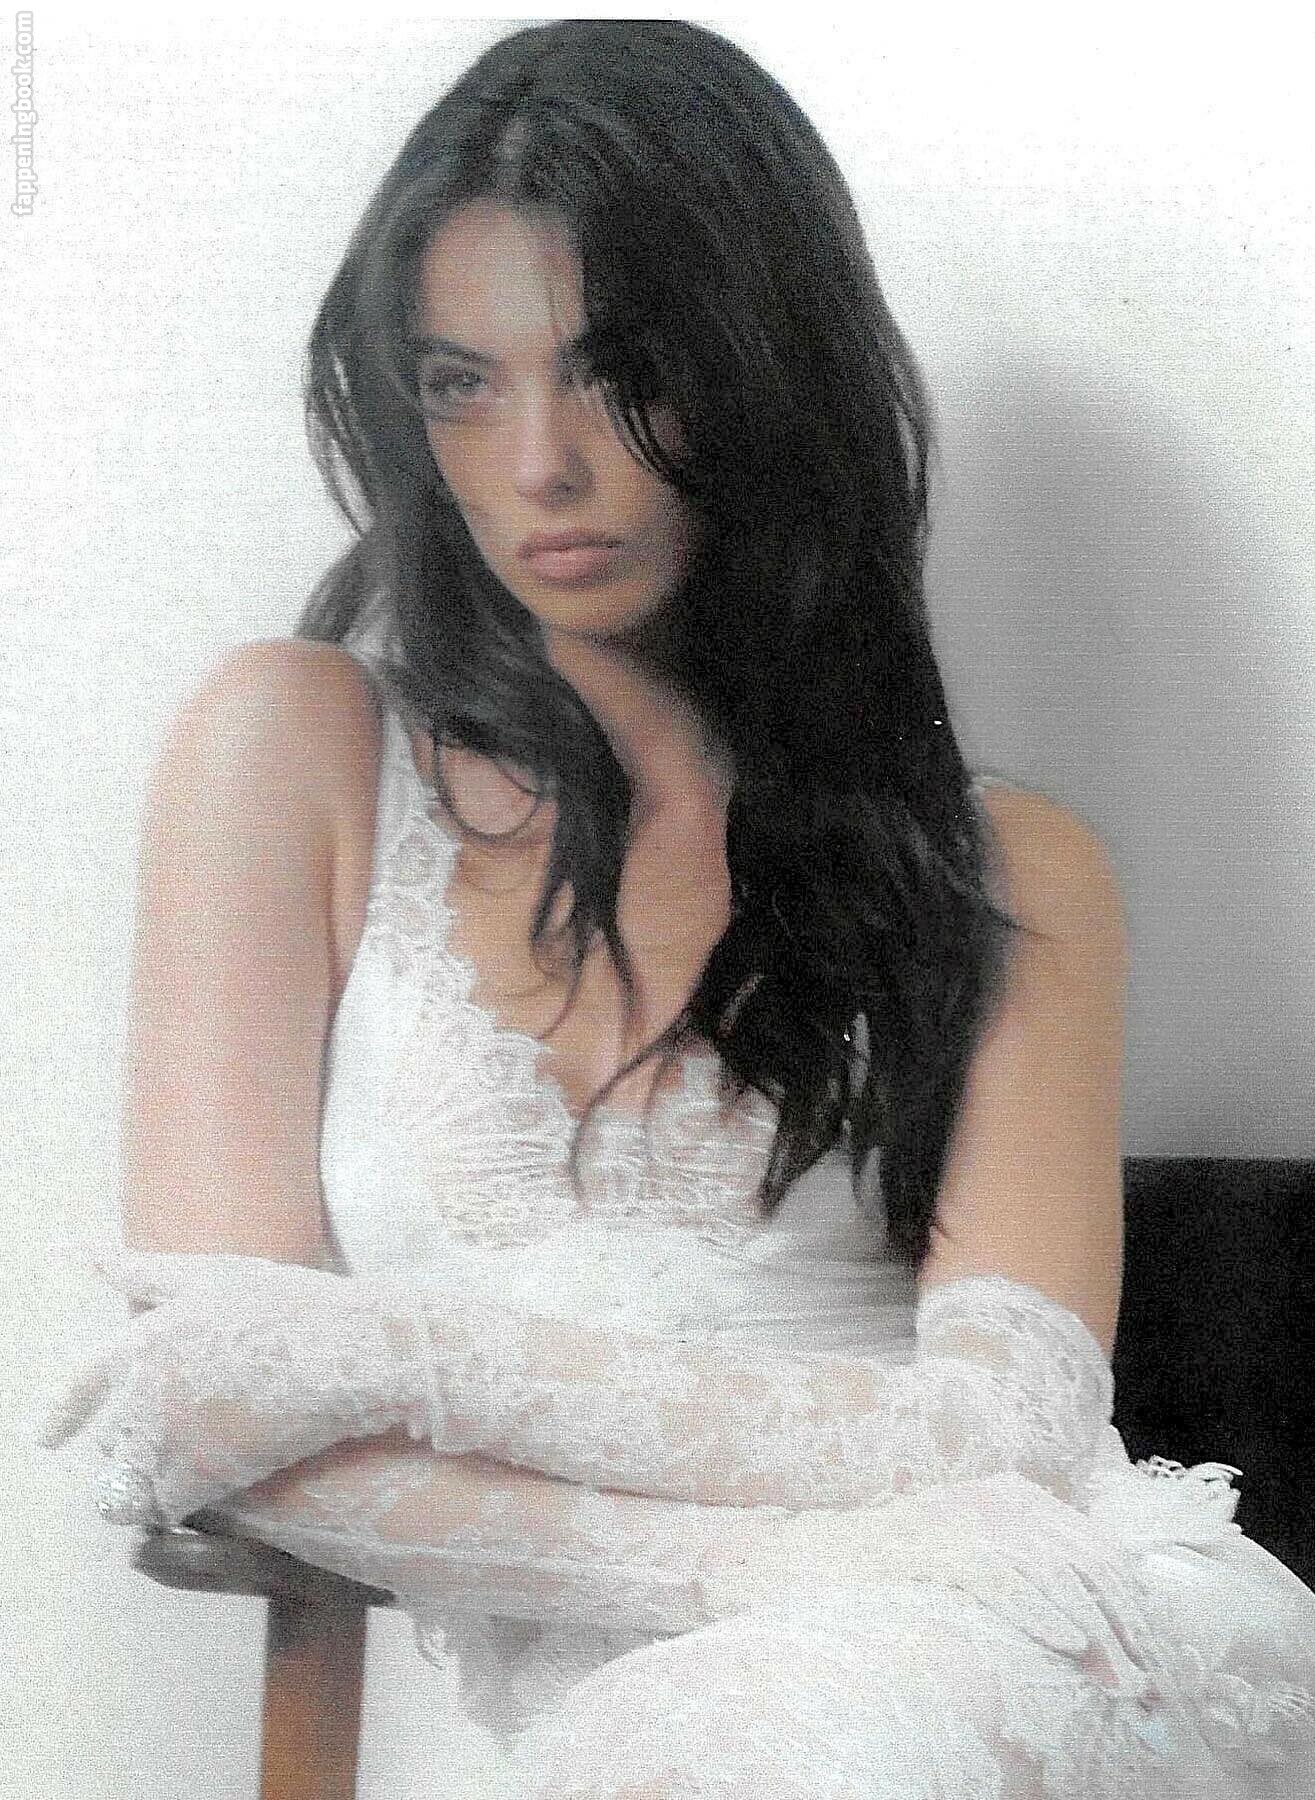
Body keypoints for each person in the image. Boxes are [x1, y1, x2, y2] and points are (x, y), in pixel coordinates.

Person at [36, 19, 1315, 1797]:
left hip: (997, 1638)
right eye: (461, 384)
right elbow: (209, 1416)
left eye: (616, 375)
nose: (539, 466)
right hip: (696, 1674)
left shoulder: (1015, 873)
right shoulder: (294, 751)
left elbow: (1011, 1426)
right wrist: (743, 1571)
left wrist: (395, 1353)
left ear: (767, 373)